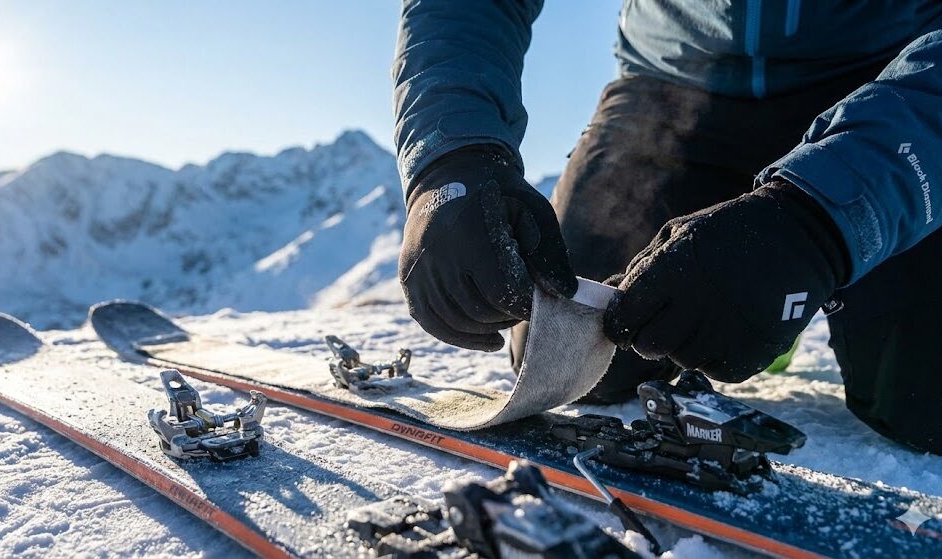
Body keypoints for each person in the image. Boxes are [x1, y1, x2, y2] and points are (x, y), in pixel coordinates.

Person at [392, 1, 942, 454]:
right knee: (568, 352)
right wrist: (449, 160)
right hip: (672, 86)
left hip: (889, 89)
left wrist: (819, 227)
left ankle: (794, 291)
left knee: (925, 402)